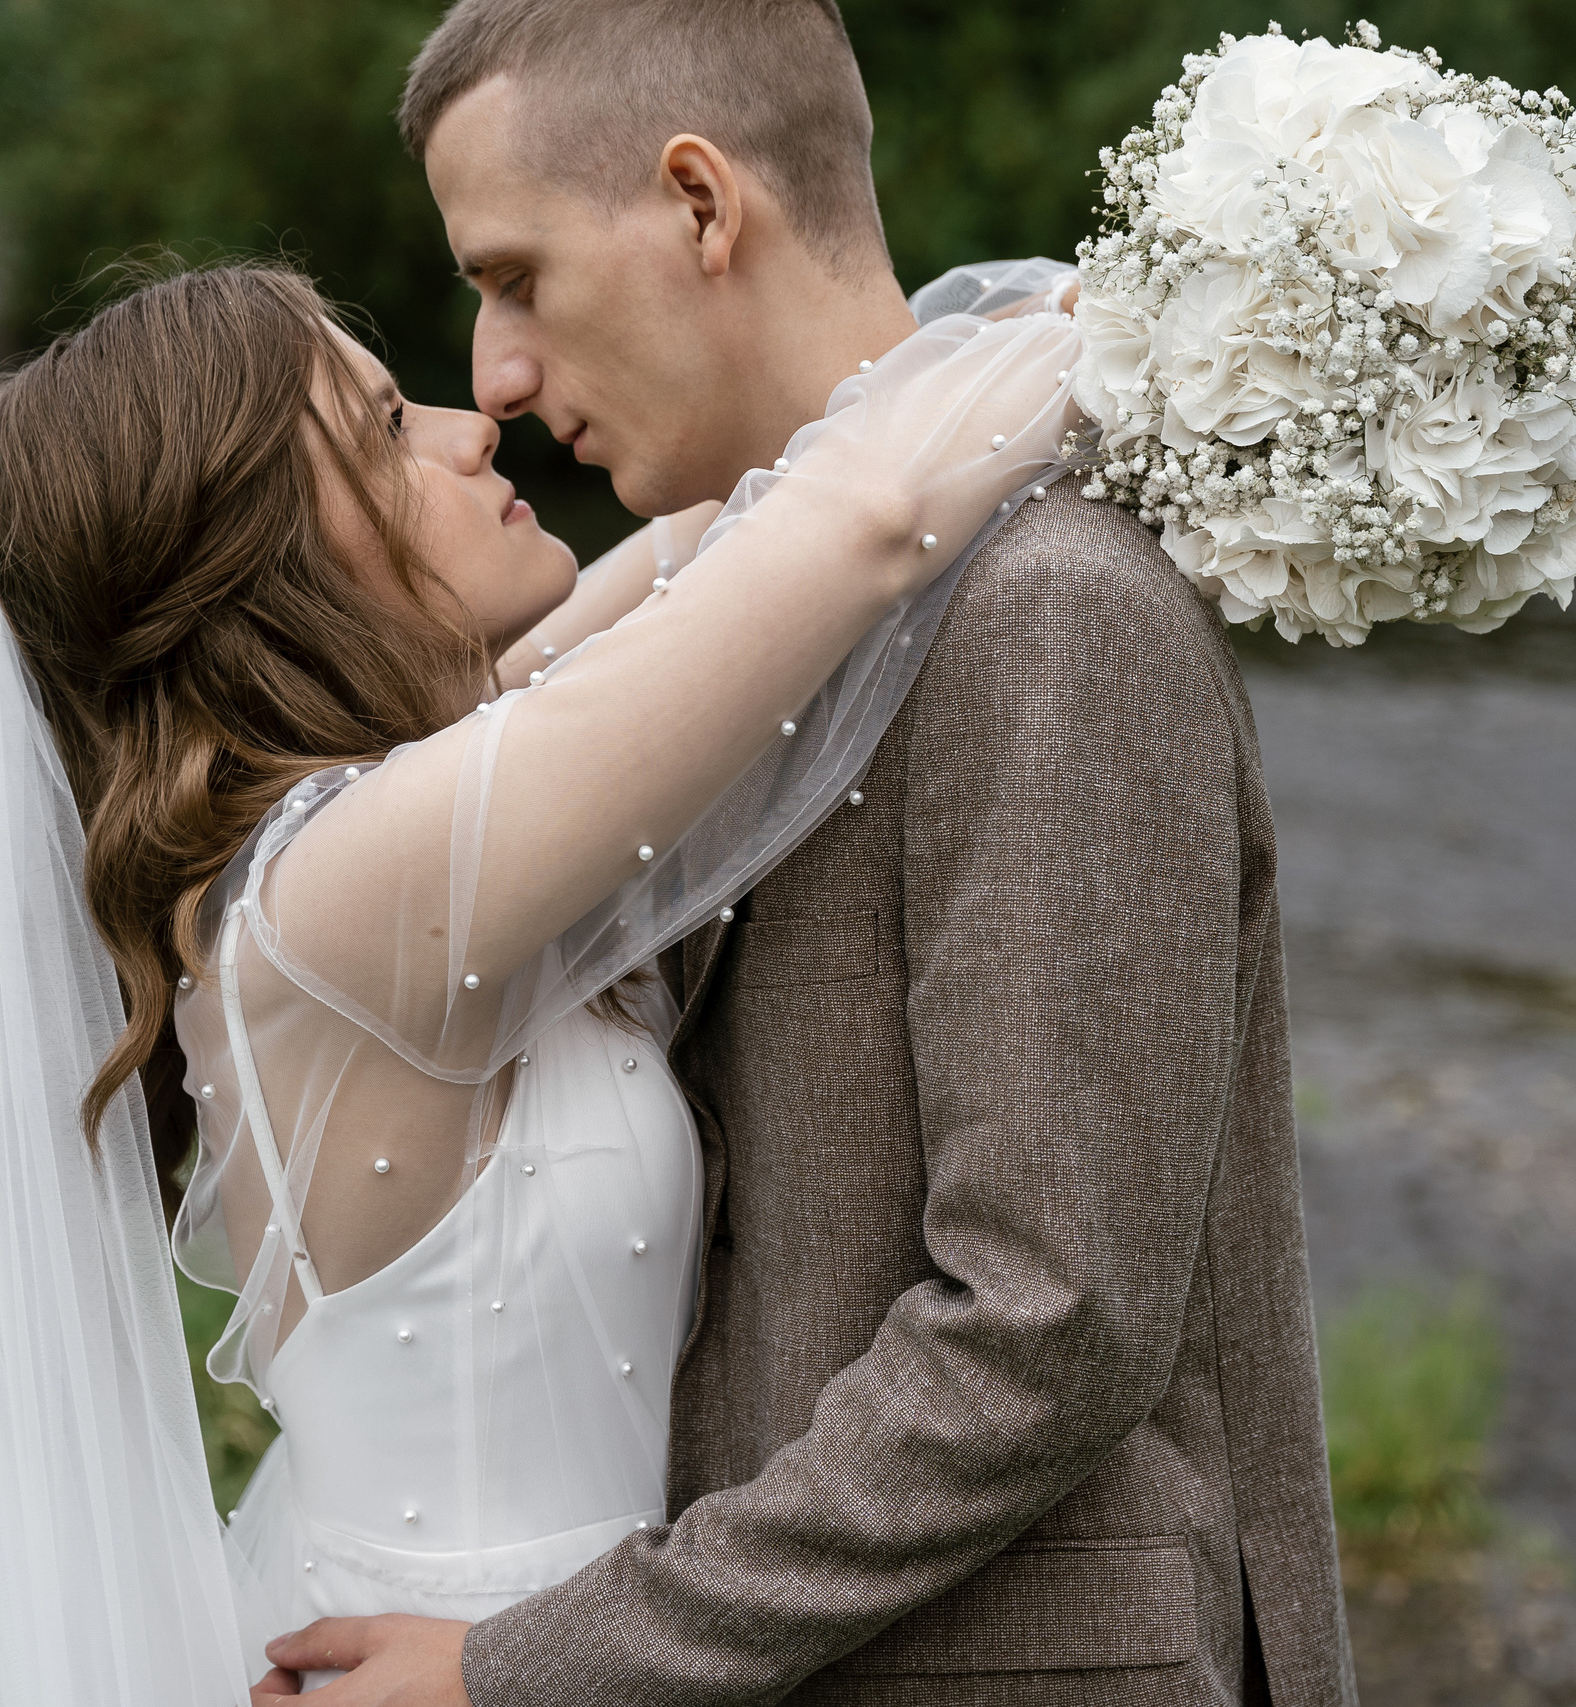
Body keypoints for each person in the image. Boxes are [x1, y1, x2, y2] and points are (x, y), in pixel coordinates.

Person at [256, 3, 1355, 1704]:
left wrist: (534, 1671)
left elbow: (1047, 1329)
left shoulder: (1050, 612)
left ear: (702, 206)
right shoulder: (735, 620)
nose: (494, 378)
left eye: (517, 278)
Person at [0, 254, 1073, 1704]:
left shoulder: (390, 816)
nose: (467, 423)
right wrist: (1203, 318)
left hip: (534, 1644)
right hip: (472, 1660)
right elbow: (856, 523)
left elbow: (710, 539)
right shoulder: (344, 892)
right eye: (380, 427)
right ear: (268, 557)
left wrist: (1036, 313)